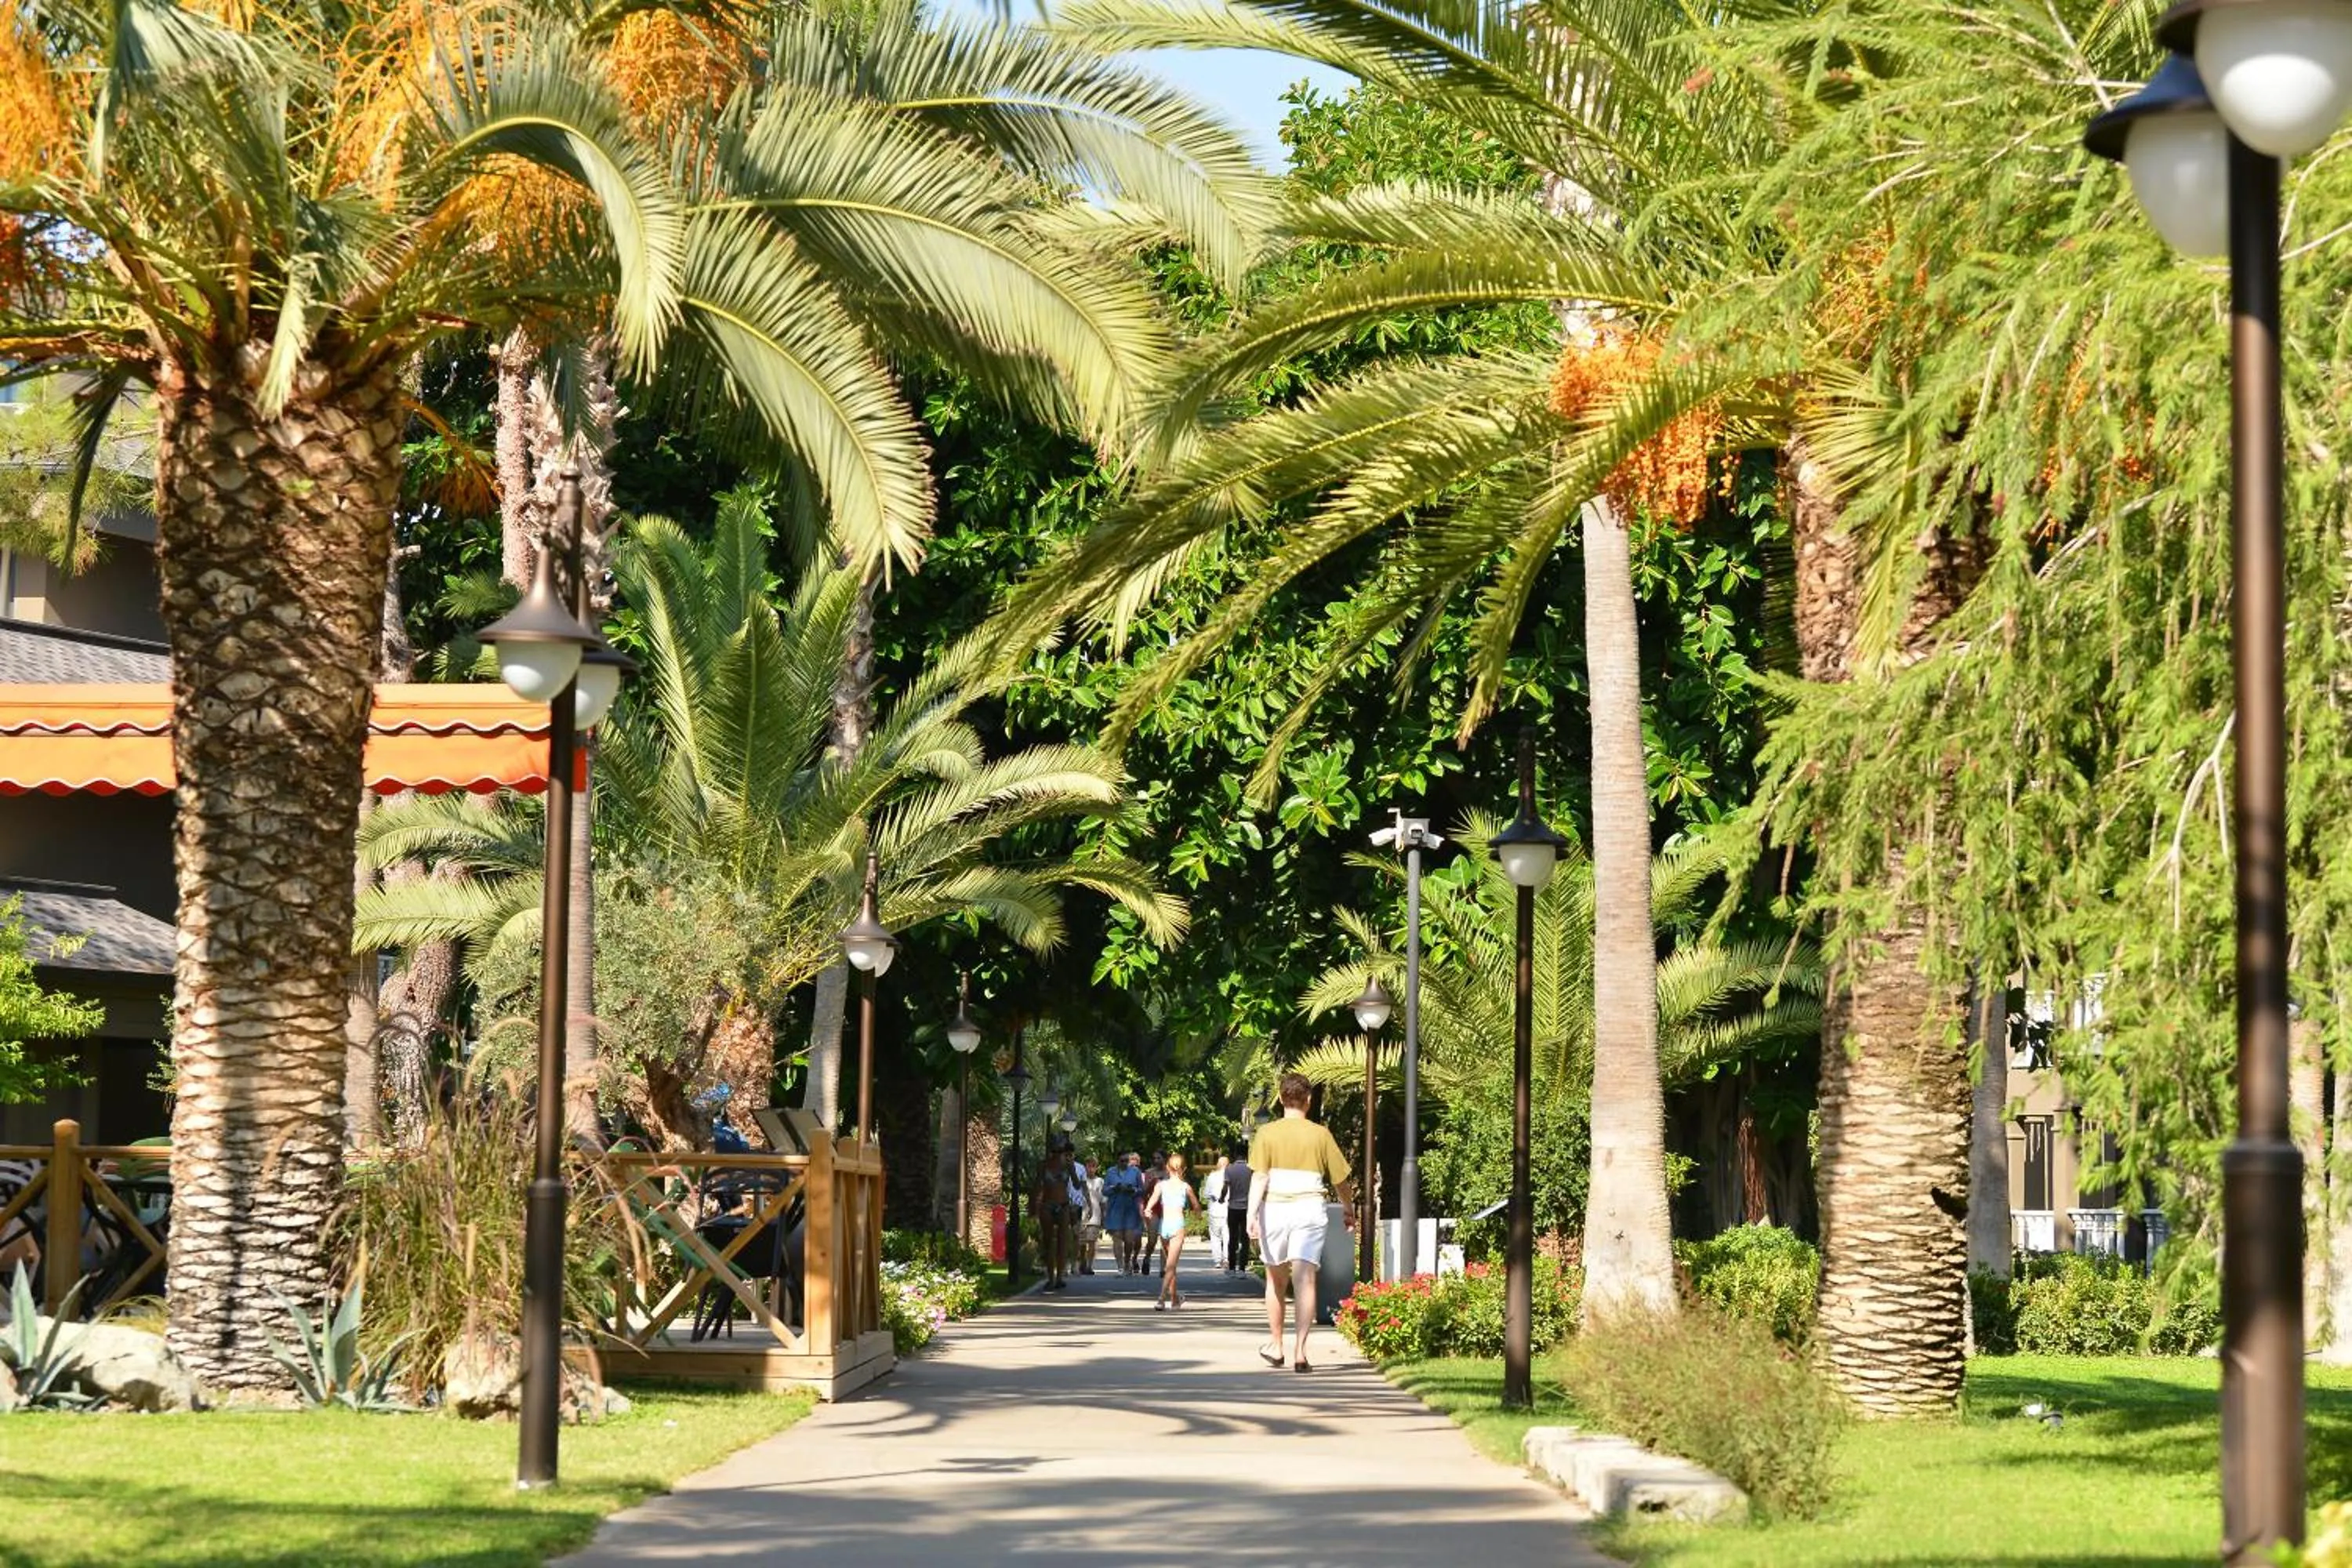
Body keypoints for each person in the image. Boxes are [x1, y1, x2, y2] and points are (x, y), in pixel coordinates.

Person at [1247, 1073, 1353, 1371]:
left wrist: (1251, 1214)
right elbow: (1341, 1181)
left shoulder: (1267, 1134)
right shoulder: (1321, 1135)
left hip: (1275, 1209)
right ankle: (1301, 1352)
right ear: (1309, 1100)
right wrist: (1349, 1210)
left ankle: (1277, 1344)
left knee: (1275, 1280)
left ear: (1281, 1099)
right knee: (1305, 1279)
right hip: (1309, 1209)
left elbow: (1260, 1176)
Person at [1143, 1152, 1198, 1310]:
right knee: (1171, 1266)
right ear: (1184, 1169)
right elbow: (1196, 1205)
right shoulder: (1186, 1187)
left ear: (1168, 1167)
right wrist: (1198, 1214)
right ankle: (1161, 1299)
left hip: (1164, 1226)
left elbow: (1152, 1200)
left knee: (1170, 1265)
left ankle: (1174, 1300)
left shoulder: (1161, 1185)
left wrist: (1147, 1210)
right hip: (1177, 1225)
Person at [1036, 1142, 1076, 1291]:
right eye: (1055, 1151)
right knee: (1048, 1242)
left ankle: (1059, 1277)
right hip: (1047, 1204)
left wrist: (1072, 1171)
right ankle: (1050, 1278)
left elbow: (1077, 1185)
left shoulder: (1067, 1166)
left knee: (1062, 1242)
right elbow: (1037, 1185)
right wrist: (1034, 1206)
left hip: (1063, 1205)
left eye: (1060, 1151)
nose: (1057, 1154)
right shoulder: (1043, 1165)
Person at [1102, 1152, 1145, 1274]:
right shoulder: (1111, 1172)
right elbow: (1104, 1190)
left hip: (1130, 1209)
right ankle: (1120, 1267)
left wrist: (1132, 1190)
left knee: (1129, 1239)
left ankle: (1127, 1261)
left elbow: (1142, 1190)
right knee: (1117, 1238)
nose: (1125, 1163)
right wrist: (1114, 1188)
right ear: (1117, 1161)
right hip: (1115, 1208)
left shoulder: (1135, 1172)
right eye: (1122, 1161)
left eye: (1127, 1161)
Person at [1222, 1142, 1252, 1272]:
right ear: (1246, 1154)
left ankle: (1232, 1267)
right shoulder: (1251, 1169)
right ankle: (1242, 1268)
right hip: (1247, 1208)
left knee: (1233, 1237)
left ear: (1235, 1154)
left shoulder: (1229, 1169)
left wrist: (1222, 1198)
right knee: (1245, 1239)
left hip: (1233, 1207)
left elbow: (1225, 1187)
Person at [1141, 1151, 1171, 1276]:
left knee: (1165, 1239)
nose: (1156, 1160)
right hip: (1154, 1208)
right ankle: (1147, 1257)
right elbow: (1144, 1192)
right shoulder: (1149, 1172)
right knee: (1152, 1240)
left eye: (1159, 1158)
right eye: (1154, 1158)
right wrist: (1151, 1182)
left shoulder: (1171, 1172)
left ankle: (1163, 1268)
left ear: (1165, 1159)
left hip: (1168, 1208)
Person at [1077, 1153, 1105, 1275]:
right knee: (1081, 1242)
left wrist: (1104, 1215)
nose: (1091, 1168)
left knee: (1092, 1241)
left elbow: (1103, 1200)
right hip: (1081, 1215)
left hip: (1095, 1214)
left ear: (1097, 1168)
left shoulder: (1100, 1181)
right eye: (1089, 1166)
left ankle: (1089, 1265)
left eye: (1093, 1166)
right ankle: (1082, 1262)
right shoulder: (1080, 1181)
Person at [1203, 1153, 1230, 1270]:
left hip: (1214, 1210)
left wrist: (1213, 1196)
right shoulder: (1231, 1176)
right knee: (1227, 1236)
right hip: (1229, 1210)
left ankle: (1217, 1260)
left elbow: (1206, 1194)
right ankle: (1227, 1259)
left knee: (1215, 1236)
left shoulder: (1212, 1176)